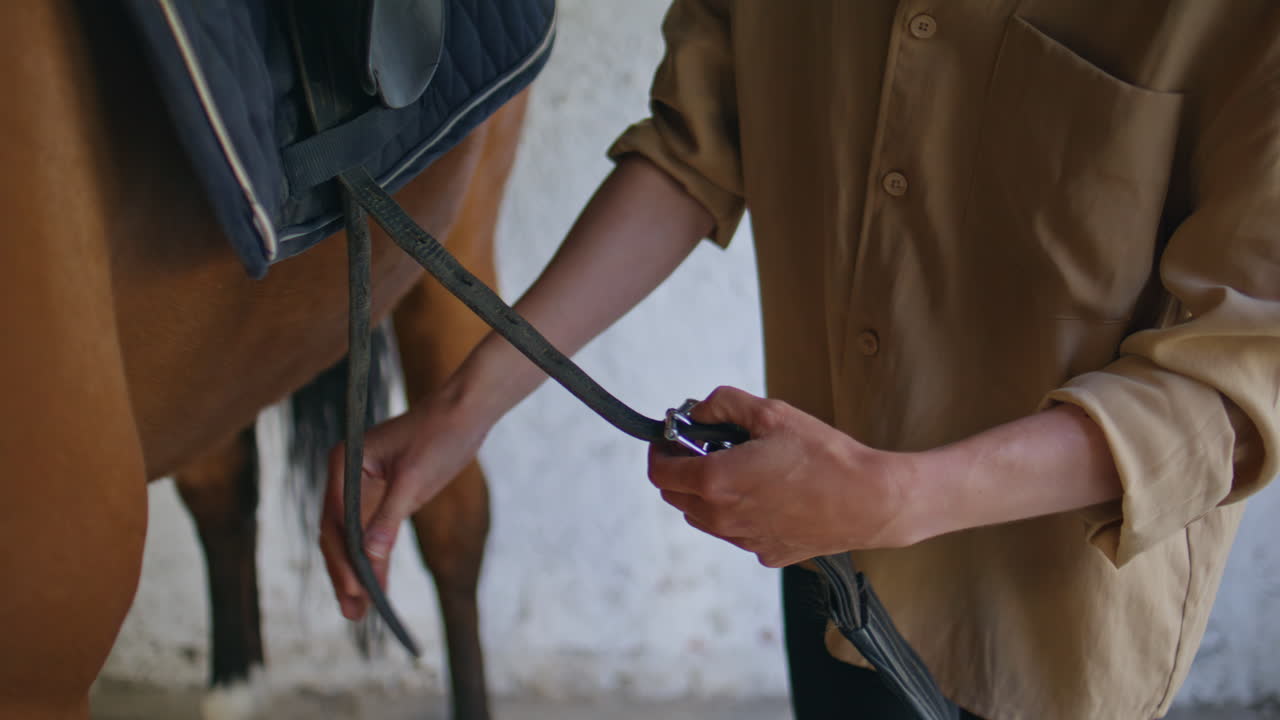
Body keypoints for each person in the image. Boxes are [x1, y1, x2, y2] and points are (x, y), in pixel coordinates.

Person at [318, 3, 1280, 718]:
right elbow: (697, 145)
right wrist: (464, 408)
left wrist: (896, 496)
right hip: (825, 569)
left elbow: (1237, 383)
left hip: (1048, 633)